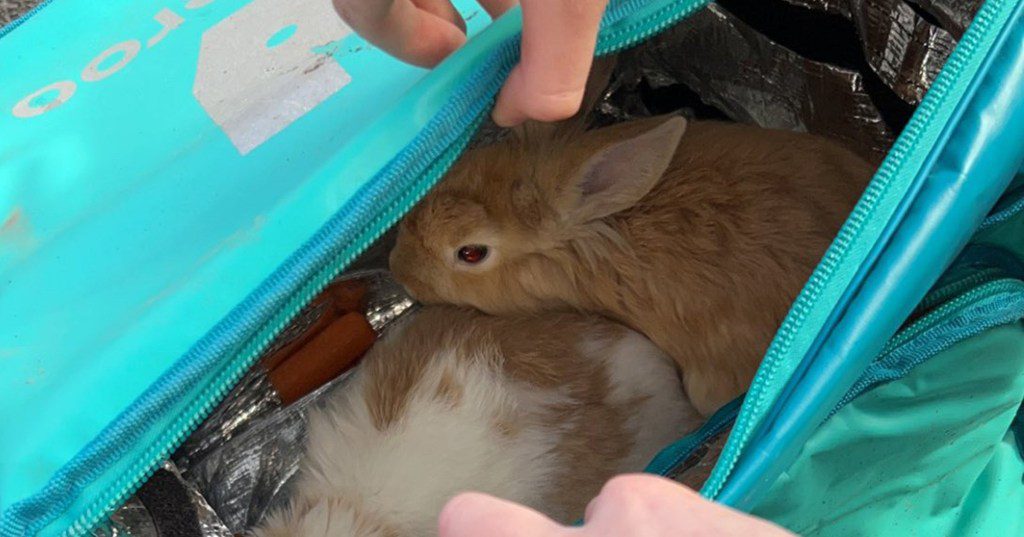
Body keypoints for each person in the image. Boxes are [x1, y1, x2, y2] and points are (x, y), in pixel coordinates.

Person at [331, 2, 796, 535]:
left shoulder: (563, 257)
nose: (404, 272)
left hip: (773, 323)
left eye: (470, 254)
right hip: (819, 193)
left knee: (715, 391)